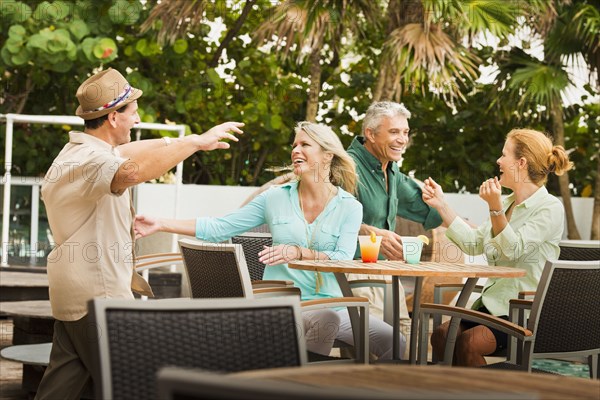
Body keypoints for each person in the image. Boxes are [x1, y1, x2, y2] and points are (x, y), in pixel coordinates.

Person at [36, 68, 243, 400]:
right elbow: (132, 172)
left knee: (62, 388)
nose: (137, 119)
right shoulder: (91, 161)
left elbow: (128, 155)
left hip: (75, 293)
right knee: (134, 386)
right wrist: (193, 142)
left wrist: (178, 142)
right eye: (132, 112)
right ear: (114, 117)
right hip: (97, 295)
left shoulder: (81, 152)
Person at [134, 121, 403, 360]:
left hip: (330, 304)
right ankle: (295, 387)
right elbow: (221, 227)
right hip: (281, 303)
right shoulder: (275, 198)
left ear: (328, 155)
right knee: (326, 321)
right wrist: (162, 223)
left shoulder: (349, 207)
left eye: (305, 144)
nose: (296, 150)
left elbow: (343, 258)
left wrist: (299, 252)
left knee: (396, 343)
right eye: (294, 145)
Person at [421, 128, 573, 367]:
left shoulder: (549, 208)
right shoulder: (506, 203)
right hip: (492, 306)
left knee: (469, 342)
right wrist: (441, 205)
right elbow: (473, 244)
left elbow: (513, 250)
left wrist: (494, 208)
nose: (498, 161)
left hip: (524, 310)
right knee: (441, 336)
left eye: (504, 155)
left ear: (521, 163)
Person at [346, 101, 442, 328]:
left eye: (405, 132)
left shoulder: (391, 170)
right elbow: (322, 218)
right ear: (370, 133)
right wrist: (369, 232)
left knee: (405, 340)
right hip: (354, 271)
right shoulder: (346, 166)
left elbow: (429, 208)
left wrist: (467, 223)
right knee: (376, 347)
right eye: (394, 132)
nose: (402, 139)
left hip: (388, 272)